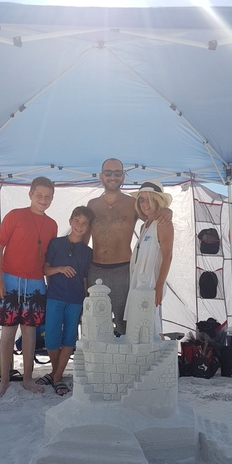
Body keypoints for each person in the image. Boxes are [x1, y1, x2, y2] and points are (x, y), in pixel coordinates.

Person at [87, 159, 172, 334]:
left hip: (123, 272)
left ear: (123, 176)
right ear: (101, 176)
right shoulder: (92, 205)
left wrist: (166, 211)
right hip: (94, 270)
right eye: (108, 173)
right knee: (93, 326)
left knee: (126, 324)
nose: (113, 176)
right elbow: (81, 239)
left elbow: (152, 217)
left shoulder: (132, 204)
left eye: (117, 173)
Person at [0, 176, 57, 397]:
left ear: (52, 198)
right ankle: (4, 380)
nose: (43, 199)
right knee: (8, 332)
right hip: (9, 280)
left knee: (29, 332)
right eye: (39, 195)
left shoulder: (52, 225)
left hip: (36, 284)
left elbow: (47, 259)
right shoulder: (15, 216)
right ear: (30, 194)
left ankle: (27, 379)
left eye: (48, 196)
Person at [38, 206, 94, 396]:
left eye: (84, 224)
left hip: (76, 300)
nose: (79, 226)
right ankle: (57, 376)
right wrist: (60, 268)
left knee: (69, 338)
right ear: (70, 221)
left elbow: (85, 279)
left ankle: (56, 375)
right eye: (77, 221)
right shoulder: (56, 243)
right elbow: (45, 270)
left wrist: (86, 303)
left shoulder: (87, 252)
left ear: (88, 228)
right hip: (55, 296)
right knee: (52, 338)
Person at [123, 180, 174, 338]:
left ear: (158, 200)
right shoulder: (144, 225)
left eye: (149, 199)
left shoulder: (163, 224)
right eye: (141, 199)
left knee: (152, 326)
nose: (145, 203)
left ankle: (158, 360)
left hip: (151, 285)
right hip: (138, 283)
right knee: (140, 328)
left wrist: (159, 285)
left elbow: (168, 256)